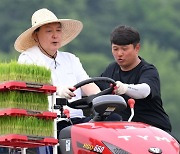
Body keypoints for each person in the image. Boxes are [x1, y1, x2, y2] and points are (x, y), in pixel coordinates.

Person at [14, 8, 101, 153]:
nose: (55, 35)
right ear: (36, 35)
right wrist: (57, 91)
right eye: (49, 31)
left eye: (58, 30)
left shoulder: (71, 59)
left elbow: (89, 85)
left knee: (112, 120)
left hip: (78, 123)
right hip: (49, 124)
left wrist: (105, 99)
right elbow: (32, 90)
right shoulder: (27, 58)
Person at [96, 25, 172, 134]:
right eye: (115, 49)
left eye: (124, 49)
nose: (119, 54)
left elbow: (145, 91)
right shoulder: (111, 69)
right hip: (124, 131)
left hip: (154, 130)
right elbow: (93, 89)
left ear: (137, 48)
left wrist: (125, 88)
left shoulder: (148, 70)